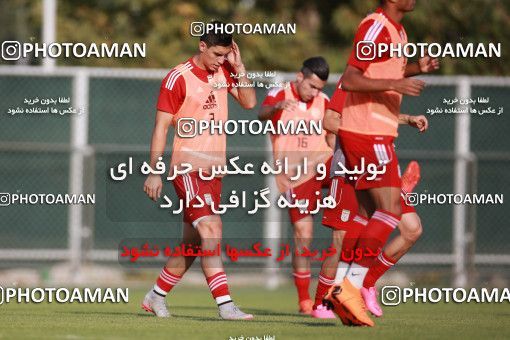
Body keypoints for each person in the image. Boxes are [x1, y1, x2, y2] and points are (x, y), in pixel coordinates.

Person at [322, 0, 439, 326]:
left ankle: (350, 287)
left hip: (378, 133)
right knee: (389, 211)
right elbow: (350, 78)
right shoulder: (374, 26)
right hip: (365, 132)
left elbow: (386, 72)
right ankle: (350, 287)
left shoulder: (398, 31)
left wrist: (416, 67)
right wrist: (394, 84)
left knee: (370, 216)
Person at [141, 22, 257, 320]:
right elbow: (160, 127)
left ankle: (155, 296)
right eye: (218, 53)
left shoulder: (225, 71)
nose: (221, 60)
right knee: (212, 229)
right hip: (187, 168)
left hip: (214, 172)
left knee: (193, 244)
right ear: (202, 46)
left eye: (226, 54)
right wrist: (154, 171)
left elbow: (248, 102)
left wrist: (239, 67)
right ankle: (226, 306)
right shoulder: (177, 78)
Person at [312, 84, 427, 321]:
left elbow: (381, 120)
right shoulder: (353, 80)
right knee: (341, 241)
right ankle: (322, 303)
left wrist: (408, 119)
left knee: (412, 229)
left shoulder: (388, 86)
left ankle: (366, 283)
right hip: (347, 172)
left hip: (378, 169)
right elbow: (330, 121)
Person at [258, 57, 334, 314]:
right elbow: (261, 114)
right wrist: (277, 106)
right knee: (304, 236)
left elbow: (334, 130)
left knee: (359, 174)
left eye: (320, 88)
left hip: (323, 163)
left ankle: (393, 189)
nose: (315, 92)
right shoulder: (279, 92)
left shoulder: (324, 102)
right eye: (312, 86)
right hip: (296, 176)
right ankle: (304, 300)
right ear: (299, 77)